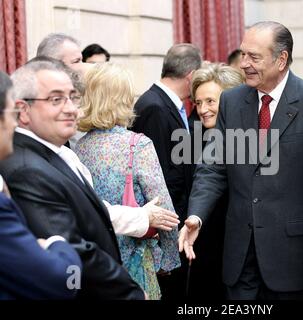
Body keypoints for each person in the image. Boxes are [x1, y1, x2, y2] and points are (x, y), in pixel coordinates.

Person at [179, 21, 303, 300]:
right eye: (243, 55)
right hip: (241, 263)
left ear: (281, 59)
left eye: (254, 56)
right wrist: (196, 216)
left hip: (293, 262)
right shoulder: (231, 101)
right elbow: (213, 167)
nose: (244, 64)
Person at [0, 57, 145, 299]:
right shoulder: (26, 169)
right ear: (22, 111)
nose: (70, 108)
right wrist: (129, 293)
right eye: (56, 99)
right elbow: (72, 256)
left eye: (73, 97)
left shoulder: (55, 152)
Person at [75, 62, 181, 300]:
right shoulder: (137, 144)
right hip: (136, 260)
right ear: (123, 99)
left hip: (97, 260)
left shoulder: (78, 148)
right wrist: (170, 260)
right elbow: (163, 209)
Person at [0, 70, 82, 300]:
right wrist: (55, 243)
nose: (12, 123)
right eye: (10, 113)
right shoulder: (25, 171)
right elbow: (63, 280)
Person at [131, 43, 202, 300]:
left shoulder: (166, 103)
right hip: (167, 224)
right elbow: (157, 177)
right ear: (192, 76)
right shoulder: (154, 107)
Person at [187, 63, 244, 300]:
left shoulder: (246, 138)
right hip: (203, 244)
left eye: (210, 101)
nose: (203, 109)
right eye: (198, 103)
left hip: (238, 247)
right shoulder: (193, 138)